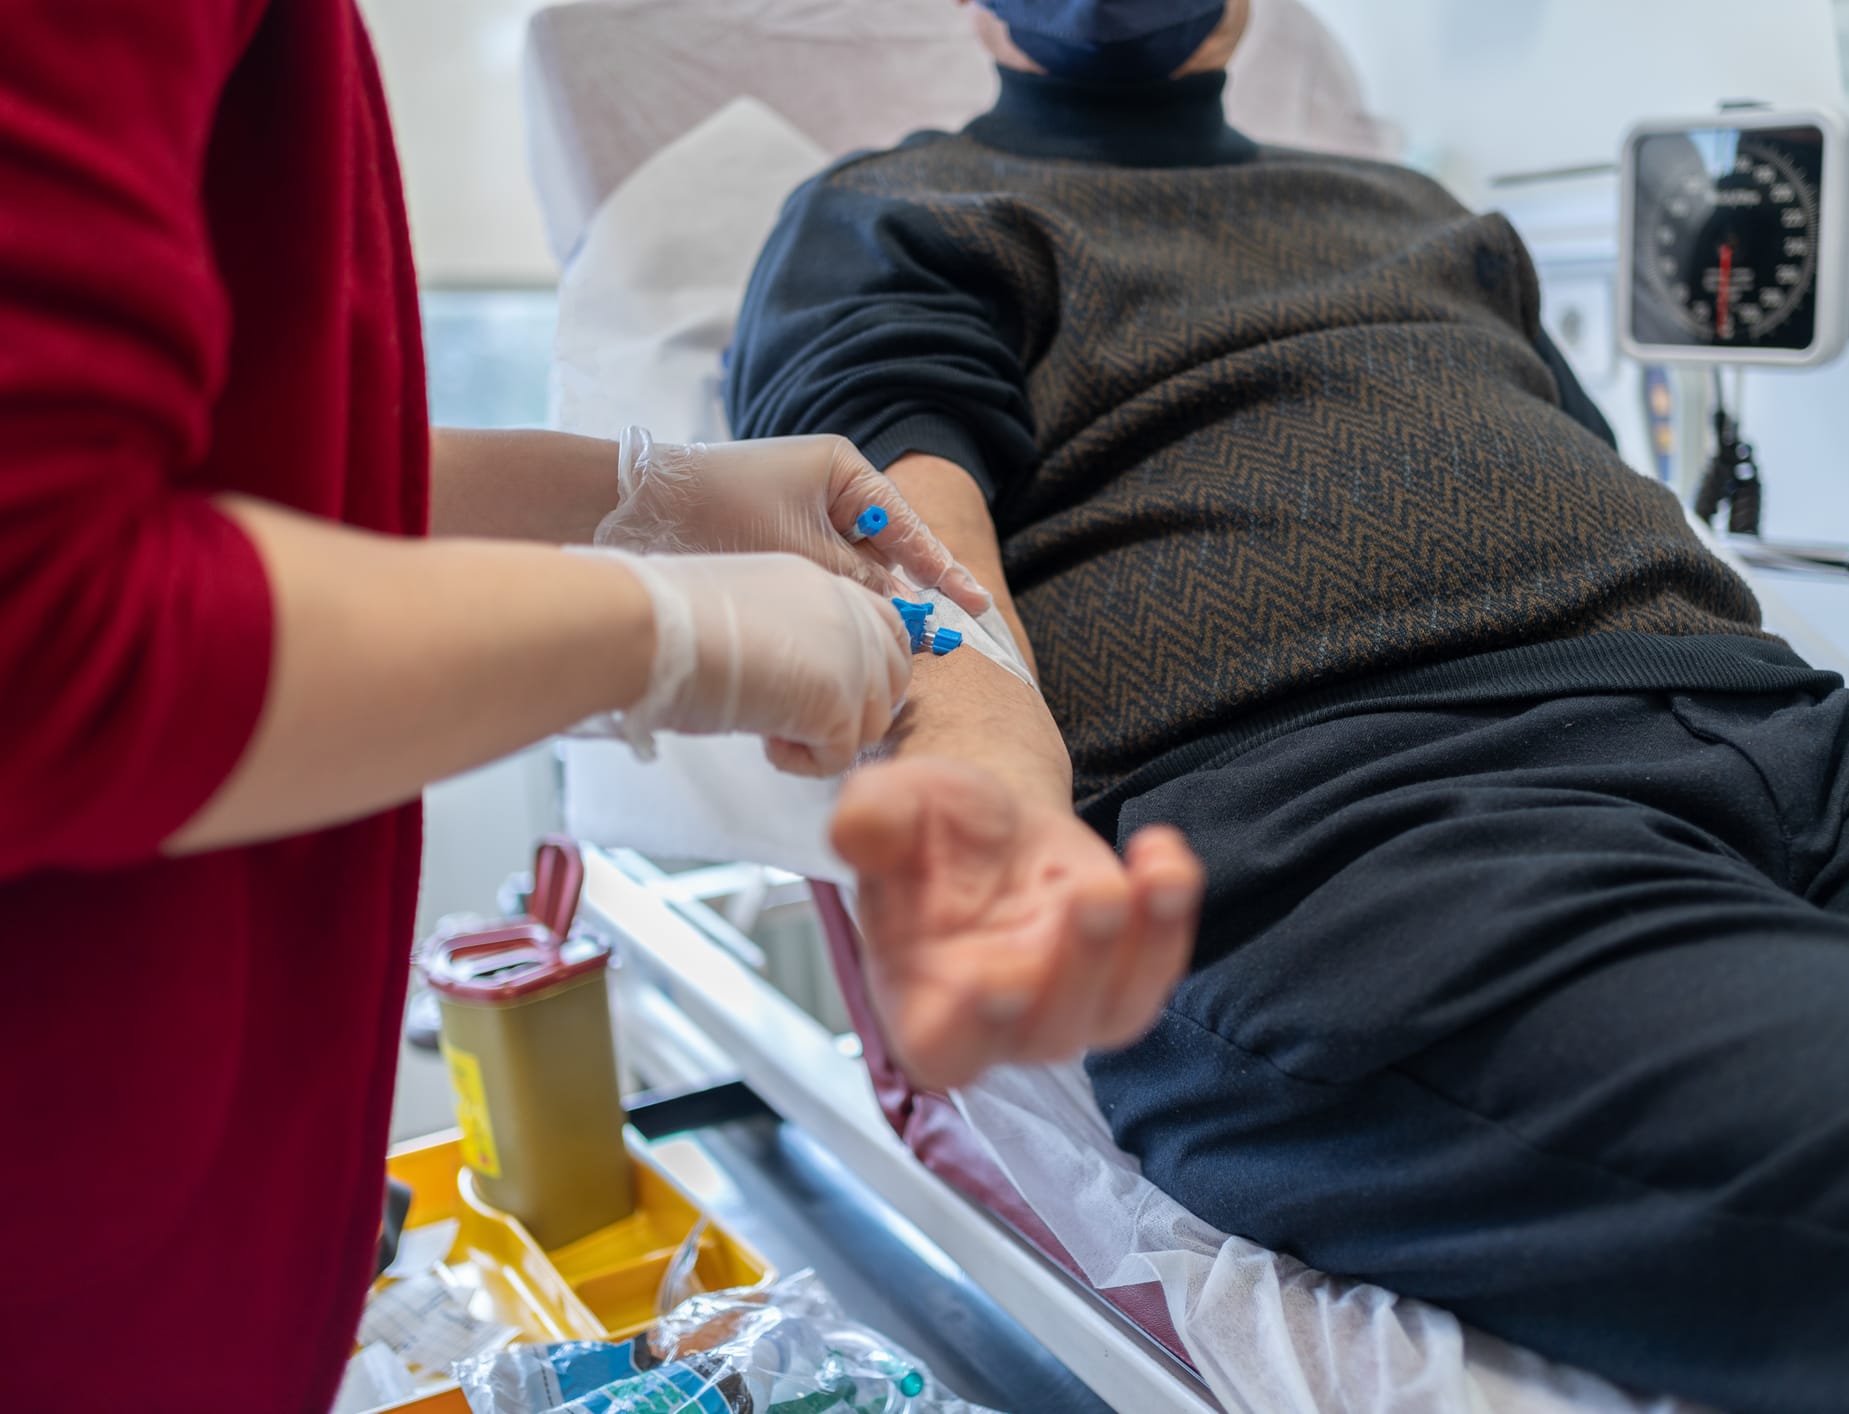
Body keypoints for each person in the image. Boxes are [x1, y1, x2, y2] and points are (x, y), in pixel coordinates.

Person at [724, 1, 1849, 1410]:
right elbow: (906, 554)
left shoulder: (1422, 211)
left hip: (1803, 736)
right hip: (1356, 841)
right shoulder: (891, 213)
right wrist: (991, 788)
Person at [0, 3, 1201, 1407]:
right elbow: (41, 615)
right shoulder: (897, 233)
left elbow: (207, 465)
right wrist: (667, 632)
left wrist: (631, 495)